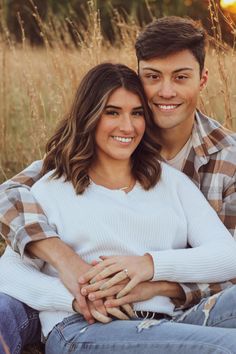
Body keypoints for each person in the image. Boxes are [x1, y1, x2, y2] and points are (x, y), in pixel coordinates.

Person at [0, 15, 235, 352]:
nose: (127, 126)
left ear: (202, 79)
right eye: (111, 112)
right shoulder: (52, 184)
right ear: (89, 116)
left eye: (137, 113)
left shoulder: (173, 181)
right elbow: (8, 270)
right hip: (86, 326)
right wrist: (76, 293)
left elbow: (229, 256)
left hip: (169, 319)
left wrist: (150, 268)